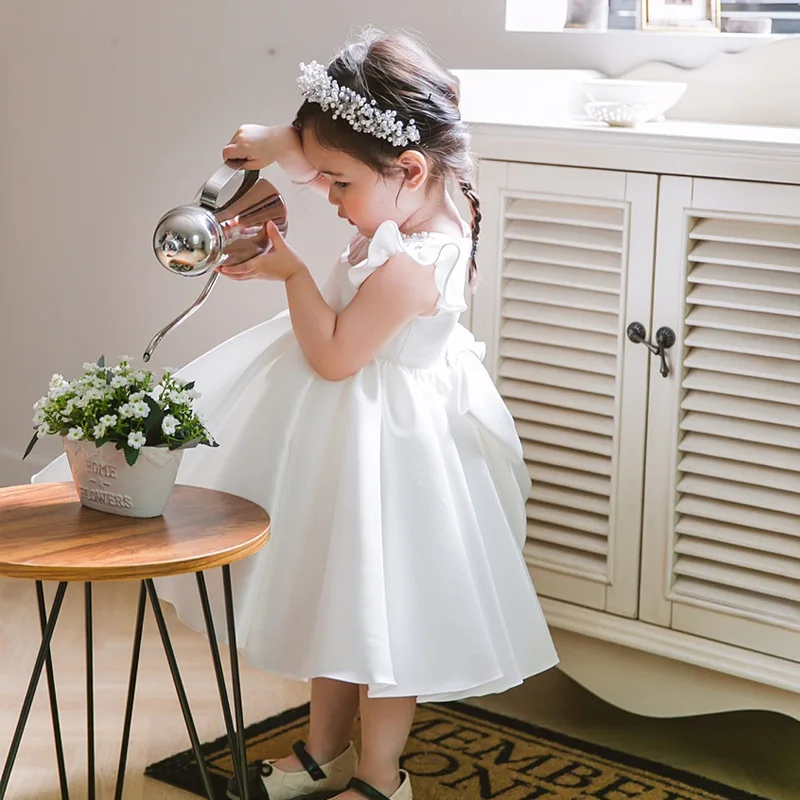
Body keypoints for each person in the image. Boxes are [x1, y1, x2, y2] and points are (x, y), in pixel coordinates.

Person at [34, 27, 558, 800]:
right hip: (354, 443)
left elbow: (337, 355)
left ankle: (381, 780)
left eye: (339, 184)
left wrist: (293, 275)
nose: (329, 198)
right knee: (340, 601)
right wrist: (288, 140)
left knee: (388, 625)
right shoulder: (432, 191)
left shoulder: (417, 263)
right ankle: (325, 752)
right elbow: (365, 158)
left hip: (396, 456)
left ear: (408, 170)